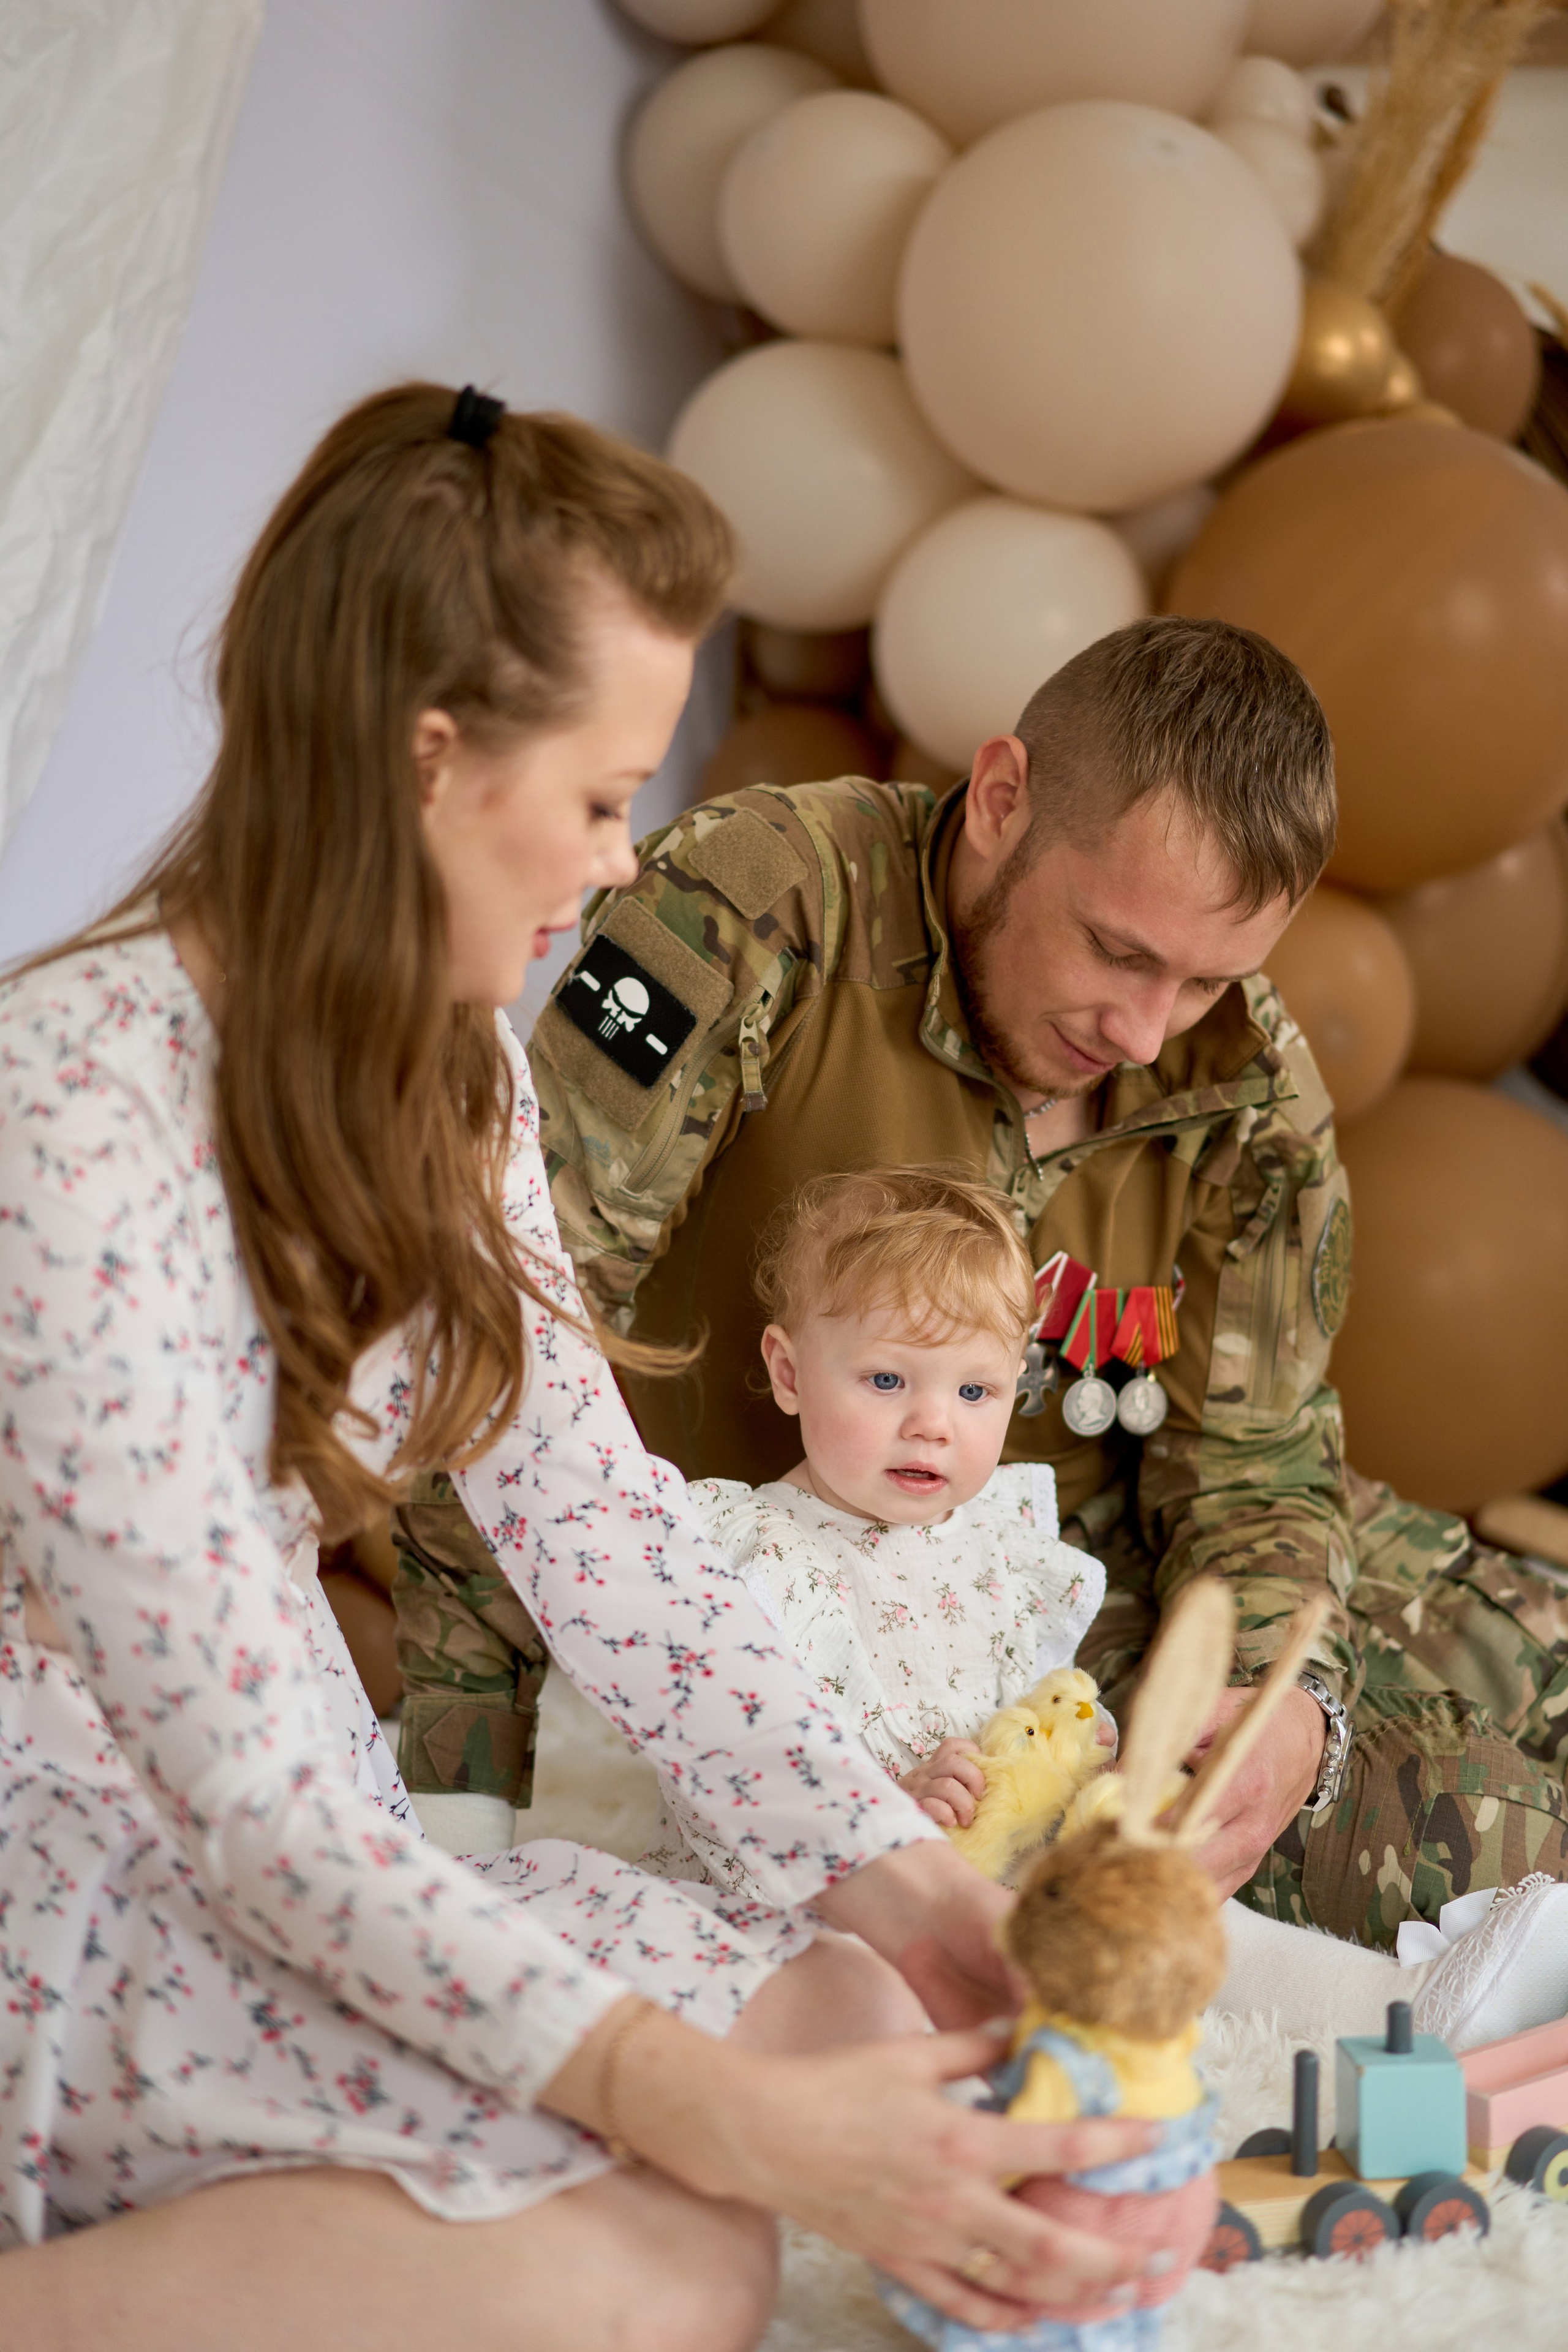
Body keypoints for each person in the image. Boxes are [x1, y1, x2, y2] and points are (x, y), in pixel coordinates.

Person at [0, 387, 1199, 2351]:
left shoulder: (452, 1059)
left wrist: (916, 1895)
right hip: (81, 1845)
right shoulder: (70, 1097)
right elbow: (253, 1804)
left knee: (854, 2004)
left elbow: (597, 1524)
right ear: (425, 757)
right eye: (597, 791)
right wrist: (692, 2104)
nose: (622, 853)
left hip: (299, 1821)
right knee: (662, 2253)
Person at [395, 615, 1568, 1968]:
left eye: (1204, 979)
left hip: (1107, 1541)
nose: (1142, 1031)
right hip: (850, 1612)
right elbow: (502, 1346)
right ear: (1003, 799)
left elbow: (1252, 1467)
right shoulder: (760, 905)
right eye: (1117, 952)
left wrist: (1286, 1701)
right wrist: (462, 1800)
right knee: (1515, 1870)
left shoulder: (1241, 1077)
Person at [638, 1165, 1111, 1894]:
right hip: (816, 1906)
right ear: (790, 1374)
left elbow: (1023, 1714)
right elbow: (723, 1781)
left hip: (988, 1891)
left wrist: (1068, 1750)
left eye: (974, 1391)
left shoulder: (999, 1542)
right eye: (888, 1381)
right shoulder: (757, 1558)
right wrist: (880, 1816)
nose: (933, 1424)